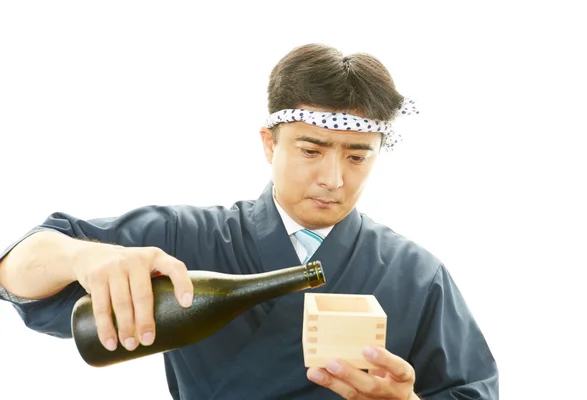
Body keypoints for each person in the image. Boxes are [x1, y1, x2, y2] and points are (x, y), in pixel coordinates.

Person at [0, 43, 498, 399]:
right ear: (269, 143)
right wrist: (85, 256)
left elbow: (474, 391)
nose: (333, 178)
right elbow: (16, 269)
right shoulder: (184, 240)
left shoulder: (417, 275)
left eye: (357, 157)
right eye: (311, 149)